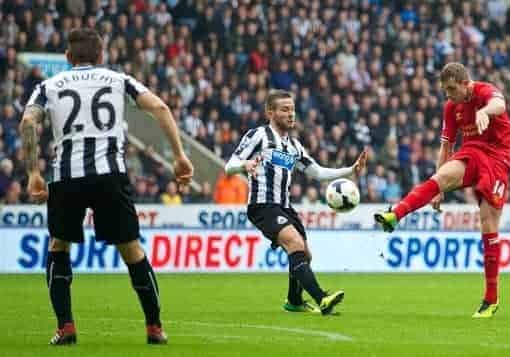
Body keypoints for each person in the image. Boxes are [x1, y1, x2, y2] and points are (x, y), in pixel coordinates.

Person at [19, 28, 194, 345]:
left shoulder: (49, 85)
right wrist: (179, 156)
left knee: (59, 247)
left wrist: (33, 172)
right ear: (101, 56)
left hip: (66, 177)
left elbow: (28, 121)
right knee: (132, 250)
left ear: (68, 58)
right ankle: (154, 327)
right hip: (110, 175)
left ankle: (66, 327)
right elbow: (161, 108)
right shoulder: (118, 79)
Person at [374, 62, 510, 318]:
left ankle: (491, 299)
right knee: (442, 176)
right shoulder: (451, 107)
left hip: (498, 158)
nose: (448, 95)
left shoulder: (484, 91)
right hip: (472, 152)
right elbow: (446, 147)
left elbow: (499, 105)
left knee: (488, 222)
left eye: (451, 89)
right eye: (445, 90)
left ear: (464, 82)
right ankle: (396, 214)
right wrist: (439, 189)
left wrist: (485, 111)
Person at [225, 89, 367, 315]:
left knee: (305, 255)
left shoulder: (294, 146)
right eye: (284, 110)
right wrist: (244, 165)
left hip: (284, 206)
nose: (291, 114)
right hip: (262, 205)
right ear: (270, 112)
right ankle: (322, 299)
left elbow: (317, 172)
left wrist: (350, 170)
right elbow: (229, 165)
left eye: (292, 109)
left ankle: (294, 301)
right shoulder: (258, 135)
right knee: (295, 244)